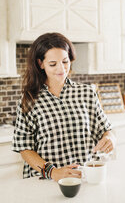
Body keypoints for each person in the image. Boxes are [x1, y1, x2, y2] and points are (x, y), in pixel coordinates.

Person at [12, 32, 115, 182]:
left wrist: (110, 138)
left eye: (65, 62)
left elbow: (106, 130)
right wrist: (53, 172)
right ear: (40, 64)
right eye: (53, 64)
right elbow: (24, 148)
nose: (61, 69)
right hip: (47, 181)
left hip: (85, 177)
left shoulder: (86, 93)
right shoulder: (29, 99)